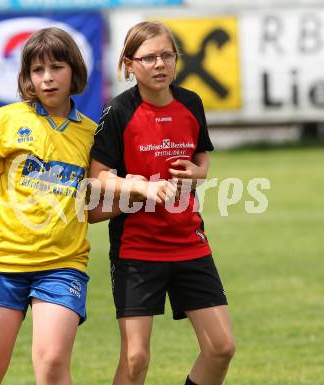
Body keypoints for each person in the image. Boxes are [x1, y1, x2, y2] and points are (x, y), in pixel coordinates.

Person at [89, 21, 235, 385]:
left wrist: (199, 174)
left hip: (189, 244)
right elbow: (97, 178)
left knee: (221, 348)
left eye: (166, 55)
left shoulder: (191, 103)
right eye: (149, 57)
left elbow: (202, 157)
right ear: (128, 64)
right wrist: (141, 189)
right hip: (137, 249)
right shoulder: (118, 111)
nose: (159, 64)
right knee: (136, 358)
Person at [0, 27, 97, 385]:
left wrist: (144, 193)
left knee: (52, 364)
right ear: (27, 77)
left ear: (74, 71)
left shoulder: (92, 134)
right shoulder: (7, 119)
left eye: (56, 67)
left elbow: (97, 202)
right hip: (3, 261)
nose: (47, 78)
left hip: (62, 266)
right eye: (38, 70)